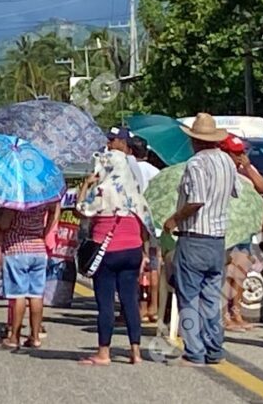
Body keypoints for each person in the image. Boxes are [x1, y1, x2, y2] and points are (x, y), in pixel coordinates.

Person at [163, 113, 239, 367]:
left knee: (189, 296)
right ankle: (214, 348)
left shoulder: (196, 164)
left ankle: (194, 351)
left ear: (195, 140)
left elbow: (196, 201)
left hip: (194, 236)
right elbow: (234, 193)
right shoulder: (227, 162)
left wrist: (174, 219)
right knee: (210, 296)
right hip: (218, 238)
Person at [74, 150, 153, 366]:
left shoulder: (101, 189)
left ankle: (104, 352)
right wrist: (145, 252)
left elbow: (80, 211)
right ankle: (135, 351)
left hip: (106, 250)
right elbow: (145, 223)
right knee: (130, 301)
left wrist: (85, 186)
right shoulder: (134, 191)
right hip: (133, 249)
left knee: (106, 303)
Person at [218, 134, 263, 332]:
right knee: (225, 272)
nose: (239, 156)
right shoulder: (221, 169)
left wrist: (247, 167)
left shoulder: (246, 170)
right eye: (235, 153)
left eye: (241, 152)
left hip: (244, 228)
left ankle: (236, 312)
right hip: (226, 227)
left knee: (240, 272)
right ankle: (224, 315)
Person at [0, 202, 58, 350]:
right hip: (39, 249)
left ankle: (14, 337)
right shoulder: (43, 199)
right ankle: (35, 337)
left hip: (17, 249)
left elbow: (4, 224)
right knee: (36, 295)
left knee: (18, 295)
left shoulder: (16, 200)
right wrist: (44, 231)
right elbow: (54, 213)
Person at [128, 136, 161, 323]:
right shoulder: (156, 172)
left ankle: (138, 307)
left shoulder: (128, 170)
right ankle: (154, 307)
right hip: (154, 223)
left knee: (137, 266)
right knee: (154, 265)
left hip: (135, 222)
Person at [107, 127, 144, 191]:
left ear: (123, 142)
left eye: (112, 140)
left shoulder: (129, 161)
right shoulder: (114, 159)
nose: (108, 143)